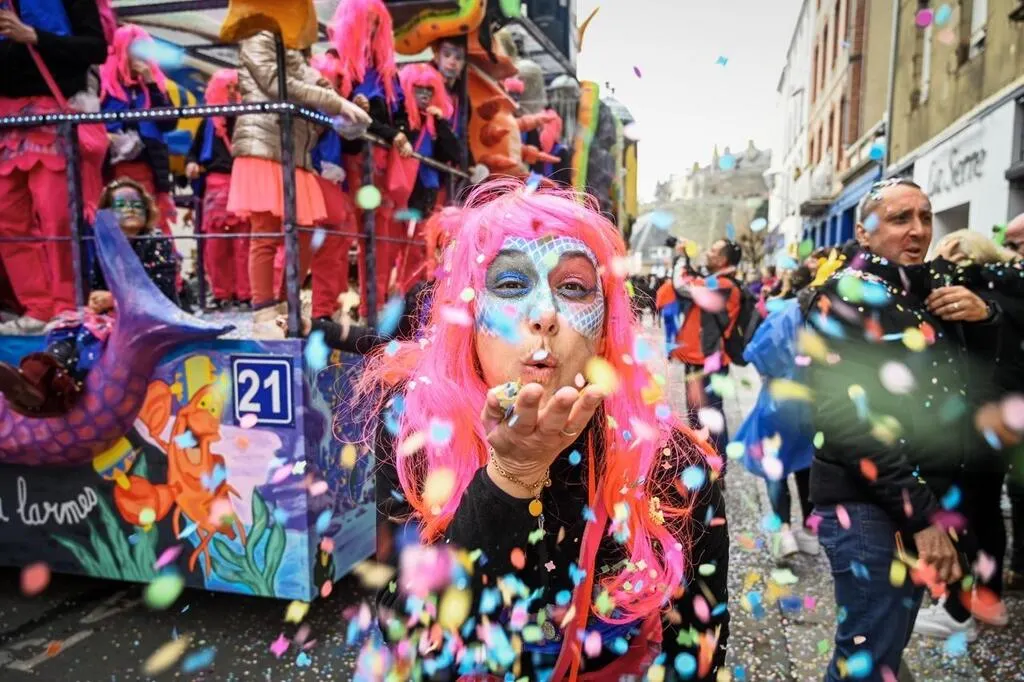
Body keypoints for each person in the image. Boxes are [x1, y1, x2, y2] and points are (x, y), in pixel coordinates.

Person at [361, 180, 729, 680]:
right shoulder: (417, 433)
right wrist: (511, 476)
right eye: (512, 284)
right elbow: (412, 640)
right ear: (468, 313)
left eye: (573, 287)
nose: (544, 315)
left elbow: (700, 648)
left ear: (606, 324)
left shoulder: (670, 461)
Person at [806, 178, 1010, 680]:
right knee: (868, 660)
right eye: (900, 219)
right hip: (868, 505)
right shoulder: (842, 298)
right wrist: (922, 518)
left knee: (882, 648)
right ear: (864, 231)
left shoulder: (929, 290)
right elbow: (847, 421)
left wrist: (985, 319)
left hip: (916, 498)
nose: (918, 230)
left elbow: (975, 385)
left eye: (925, 216)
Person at [909, 229, 1024, 636]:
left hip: (978, 418)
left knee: (966, 512)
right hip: (1004, 418)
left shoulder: (973, 296)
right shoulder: (1009, 294)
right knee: (986, 510)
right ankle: (988, 602)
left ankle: (959, 610)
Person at [226, 30, 370, 336]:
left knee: (304, 234)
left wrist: (342, 106)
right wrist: (335, 103)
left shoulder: (295, 49)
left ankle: (284, 304)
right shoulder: (259, 37)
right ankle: (263, 310)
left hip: (295, 154)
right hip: (264, 145)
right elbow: (276, 84)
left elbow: (314, 88)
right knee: (266, 232)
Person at [0, 178, 175, 416]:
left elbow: (162, 292)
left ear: (147, 210)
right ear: (109, 213)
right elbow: (97, 286)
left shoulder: (156, 241)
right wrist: (96, 300)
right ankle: (35, 380)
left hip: (151, 317)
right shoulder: (107, 244)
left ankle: (58, 390)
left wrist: (113, 300)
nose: (130, 209)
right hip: (115, 315)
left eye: (137, 205)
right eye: (121, 205)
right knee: (66, 327)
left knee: (89, 336)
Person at [0, 0, 111, 334]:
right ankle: (36, 307)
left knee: (57, 216)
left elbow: (96, 48)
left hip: (54, 113)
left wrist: (34, 36)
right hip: (5, 120)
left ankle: (67, 307)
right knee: (7, 220)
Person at [99, 24, 178, 234]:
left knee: (153, 226)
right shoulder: (104, 85)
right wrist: (105, 136)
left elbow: (169, 123)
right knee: (115, 226)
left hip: (148, 169)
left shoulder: (157, 85)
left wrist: (151, 83)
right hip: (110, 170)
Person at [670, 238, 744, 456]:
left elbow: (682, 286)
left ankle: (715, 466)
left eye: (713, 250)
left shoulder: (723, 285)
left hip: (707, 362)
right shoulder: (717, 282)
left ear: (722, 260)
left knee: (708, 416)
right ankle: (704, 464)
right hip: (701, 360)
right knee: (698, 416)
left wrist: (681, 257)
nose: (708, 253)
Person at [185, 68, 250, 311]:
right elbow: (193, 152)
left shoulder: (249, 119)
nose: (232, 92)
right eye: (227, 87)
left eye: (236, 88)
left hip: (243, 182)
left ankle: (245, 293)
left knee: (244, 242)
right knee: (216, 244)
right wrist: (191, 164)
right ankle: (222, 293)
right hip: (216, 185)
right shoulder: (208, 123)